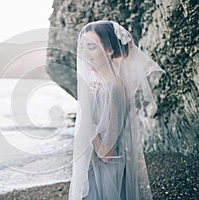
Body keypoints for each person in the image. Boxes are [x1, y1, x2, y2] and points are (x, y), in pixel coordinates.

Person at [69, 20, 164, 200]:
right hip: (97, 171)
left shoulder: (114, 88)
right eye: (82, 47)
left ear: (109, 50)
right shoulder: (98, 85)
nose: (84, 54)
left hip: (108, 175)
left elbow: (106, 153)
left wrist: (89, 125)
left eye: (92, 47)